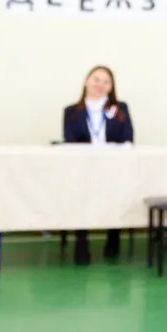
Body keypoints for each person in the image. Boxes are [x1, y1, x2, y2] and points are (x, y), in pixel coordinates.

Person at [62, 65, 133, 265]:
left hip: (113, 168)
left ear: (111, 87)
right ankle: (81, 241)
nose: (100, 84)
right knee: (79, 196)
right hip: (82, 168)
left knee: (117, 194)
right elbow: (69, 141)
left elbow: (128, 139)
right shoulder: (71, 112)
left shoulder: (121, 109)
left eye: (106, 81)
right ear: (86, 81)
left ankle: (113, 240)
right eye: (96, 79)